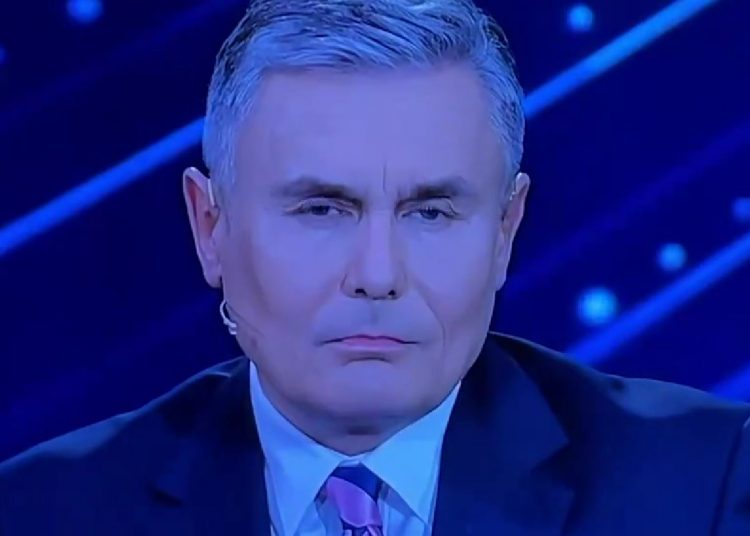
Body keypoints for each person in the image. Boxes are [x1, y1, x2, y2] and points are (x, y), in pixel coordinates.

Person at [1, 0, 748, 534]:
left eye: (431, 213)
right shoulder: (41, 511)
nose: (378, 273)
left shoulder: (706, 485)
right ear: (210, 228)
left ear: (504, 231)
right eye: (322, 209)